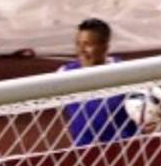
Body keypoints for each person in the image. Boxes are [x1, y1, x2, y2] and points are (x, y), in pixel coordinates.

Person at [58, 18, 142, 147]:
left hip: (126, 150)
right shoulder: (65, 75)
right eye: (78, 44)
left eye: (88, 44)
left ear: (105, 47)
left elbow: (153, 104)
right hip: (85, 154)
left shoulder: (125, 73)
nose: (81, 50)